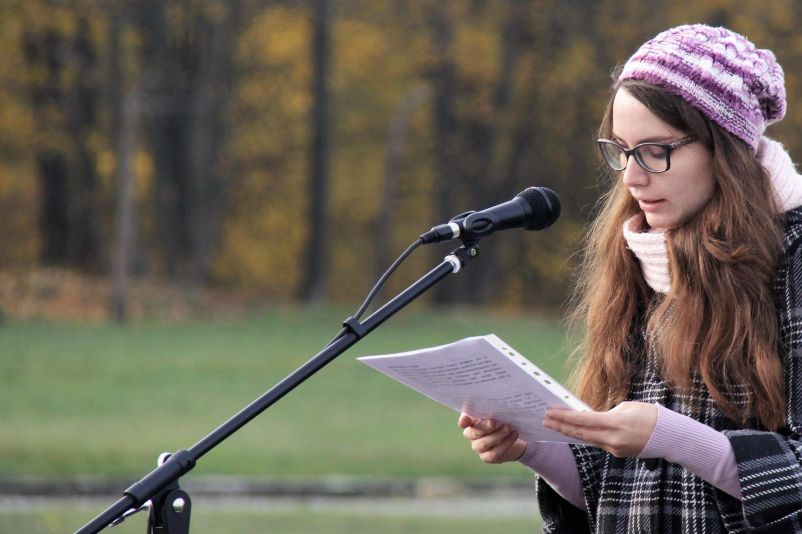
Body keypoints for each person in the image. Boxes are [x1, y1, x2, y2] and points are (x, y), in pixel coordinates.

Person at [459, 24, 802, 533]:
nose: (632, 176)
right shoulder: (642, 255)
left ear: (725, 148)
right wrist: (535, 448)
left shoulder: (790, 254)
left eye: (655, 151)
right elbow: (624, 487)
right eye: (622, 150)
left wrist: (671, 437)